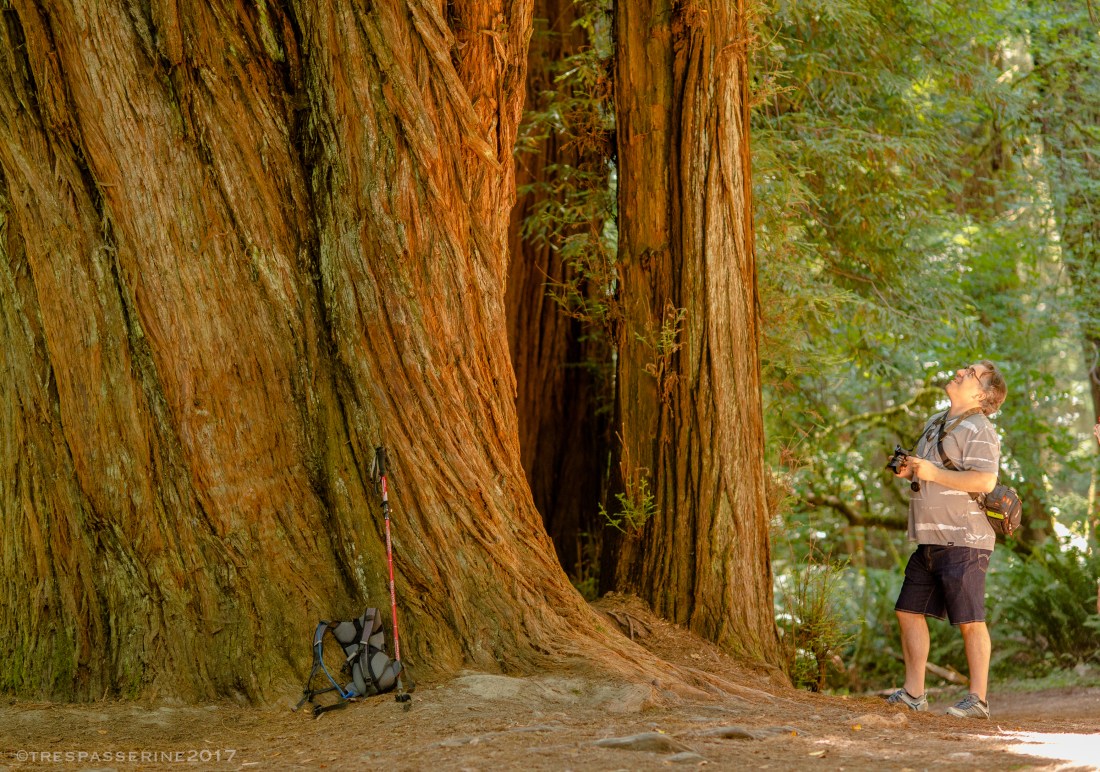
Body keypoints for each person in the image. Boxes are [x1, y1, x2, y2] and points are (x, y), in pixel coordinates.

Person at [886, 360, 1008, 719]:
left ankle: (978, 700)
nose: (961, 372)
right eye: (965, 369)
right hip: (929, 537)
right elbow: (930, 471)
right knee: (908, 611)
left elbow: (984, 480)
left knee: (970, 620)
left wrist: (934, 473)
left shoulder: (981, 428)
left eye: (971, 374)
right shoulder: (935, 422)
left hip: (965, 539)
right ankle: (914, 694)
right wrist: (911, 469)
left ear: (982, 395)